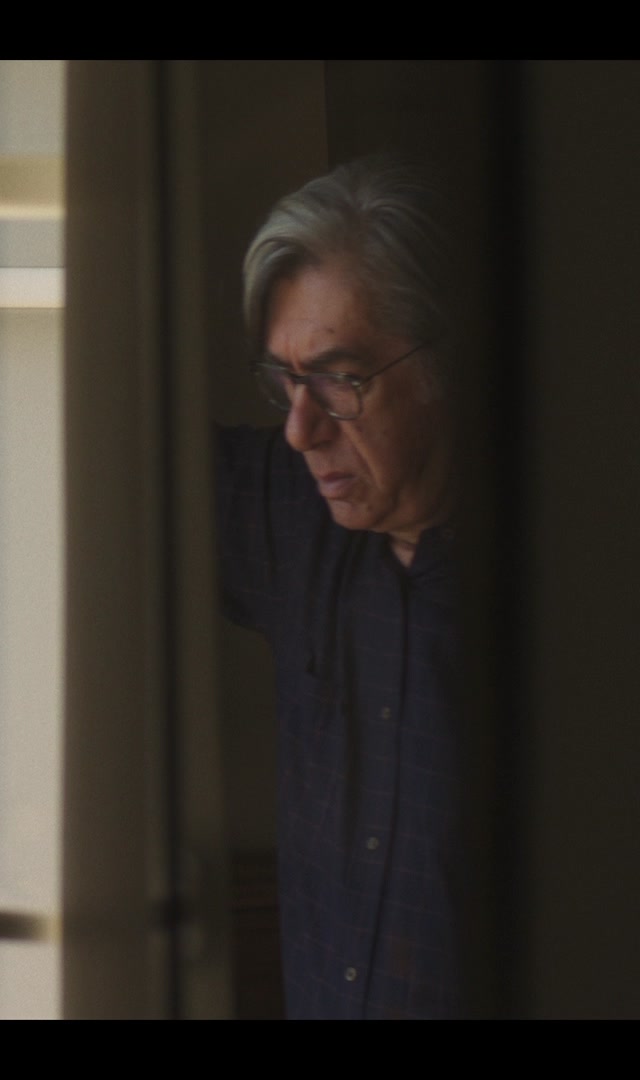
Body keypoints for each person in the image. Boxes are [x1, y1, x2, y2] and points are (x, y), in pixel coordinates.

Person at [217, 158, 465, 1018]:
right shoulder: (289, 513)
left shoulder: (575, 580)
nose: (300, 429)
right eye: (286, 381)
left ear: (444, 366)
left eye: (338, 379)